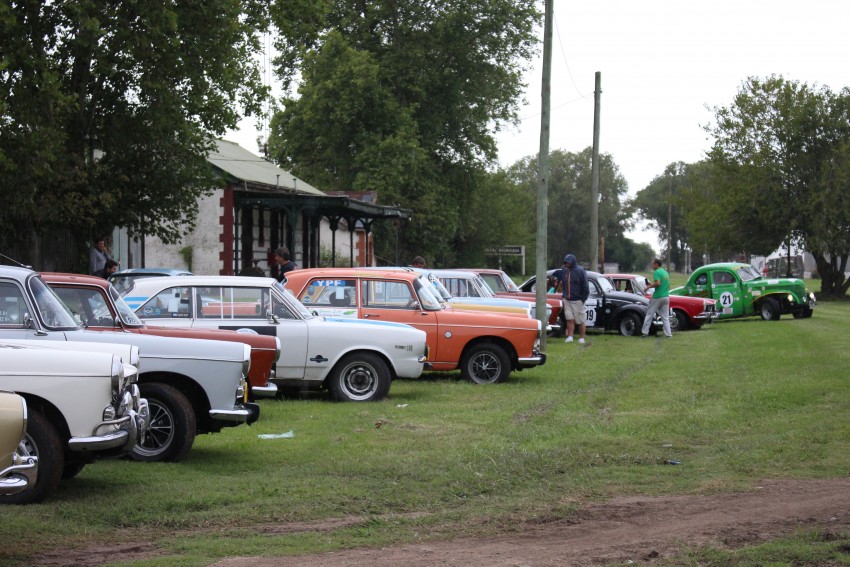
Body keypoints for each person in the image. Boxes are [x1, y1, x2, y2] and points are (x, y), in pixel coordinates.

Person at [551, 253, 589, 344]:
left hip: (578, 299)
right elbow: (563, 284)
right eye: (565, 263)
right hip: (567, 299)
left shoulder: (580, 271)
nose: (567, 264)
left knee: (580, 320)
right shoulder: (565, 271)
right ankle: (570, 337)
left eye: (568, 262)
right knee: (569, 319)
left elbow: (585, 286)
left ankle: (581, 338)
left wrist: (583, 298)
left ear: (573, 262)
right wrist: (564, 295)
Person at [641, 258, 672, 338]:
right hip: (666, 296)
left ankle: (645, 333)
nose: (652, 266)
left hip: (657, 296)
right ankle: (668, 334)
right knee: (665, 317)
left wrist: (648, 287)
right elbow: (667, 285)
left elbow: (658, 283)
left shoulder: (657, 272)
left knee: (649, 314)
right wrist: (652, 284)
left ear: (656, 264)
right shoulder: (666, 273)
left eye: (653, 264)